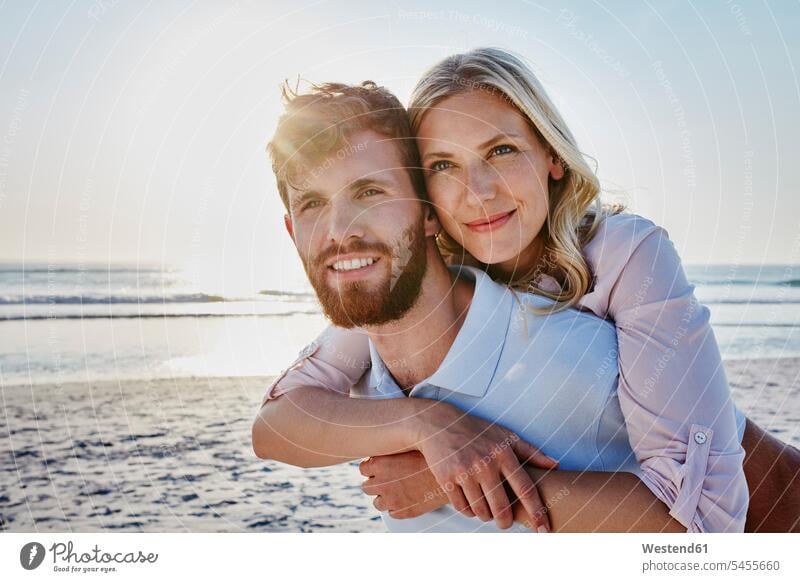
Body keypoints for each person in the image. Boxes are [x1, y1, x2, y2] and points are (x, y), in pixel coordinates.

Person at [254, 77, 750, 533]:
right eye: (445, 165)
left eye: (370, 191)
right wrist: (426, 422)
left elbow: (707, 518)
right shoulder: (378, 307)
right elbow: (274, 424)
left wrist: (445, 482)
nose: (479, 192)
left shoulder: (619, 261)